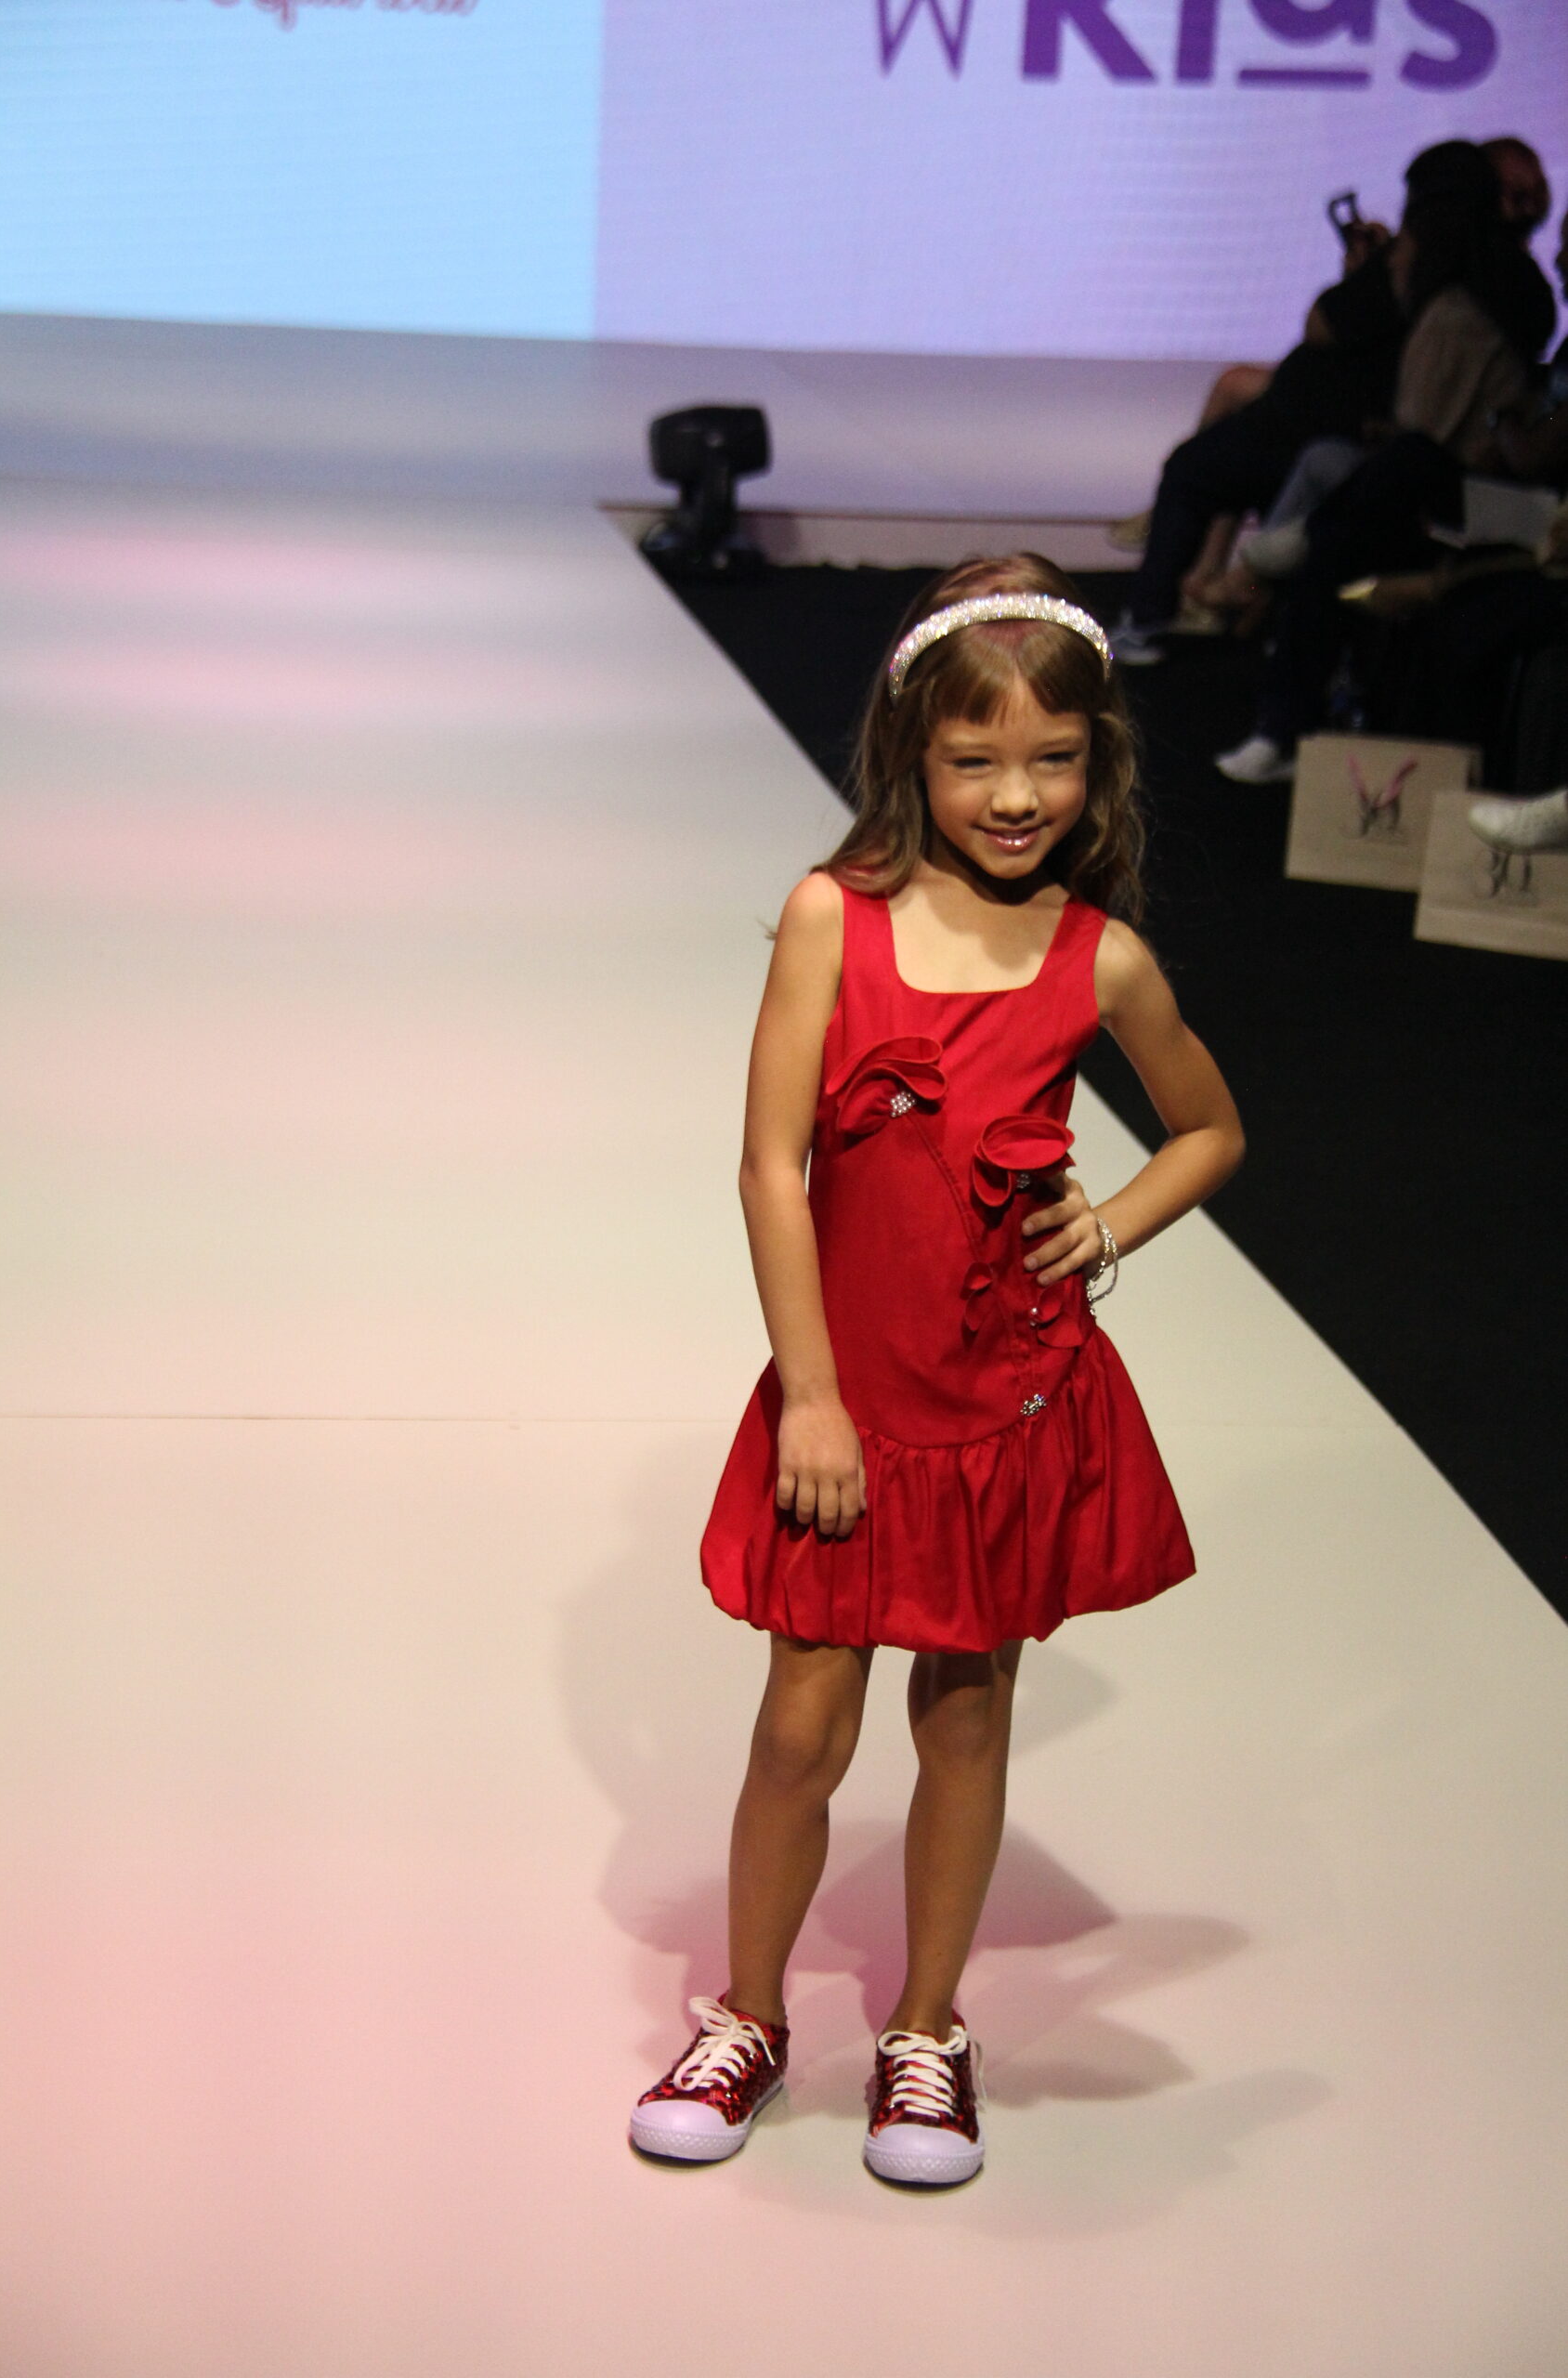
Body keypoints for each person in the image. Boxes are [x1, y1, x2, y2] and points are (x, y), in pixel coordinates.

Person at [628, 555, 1245, 2187]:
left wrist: (1103, 1225)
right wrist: (810, 1396)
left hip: (1002, 1401)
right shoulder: (831, 919)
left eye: (1052, 759)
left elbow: (1209, 1127)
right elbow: (769, 1169)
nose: (1014, 795)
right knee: (798, 1729)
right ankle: (747, 2015)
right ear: (912, 751)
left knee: (965, 1718)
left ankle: (924, 2031)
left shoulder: (1095, 957)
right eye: (975, 760)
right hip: (851, 1402)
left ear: (1096, 760)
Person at [1115, 140, 1551, 668]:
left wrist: (1371, 272)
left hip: (1378, 450)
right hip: (1401, 455)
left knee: (1200, 467)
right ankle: (1237, 595)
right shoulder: (1518, 285)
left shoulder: (1430, 277)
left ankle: (1166, 613)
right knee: (1264, 454)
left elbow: (1328, 328)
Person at [1217, 172, 1552, 782]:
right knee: (1341, 499)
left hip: (1488, 505)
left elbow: (1485, 439)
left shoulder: (1457, 313)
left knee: (1370, 494)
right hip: (1467, 493)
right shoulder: (1498, 300)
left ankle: (1282, 721)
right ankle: (1282, 716)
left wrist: (1505, 429)